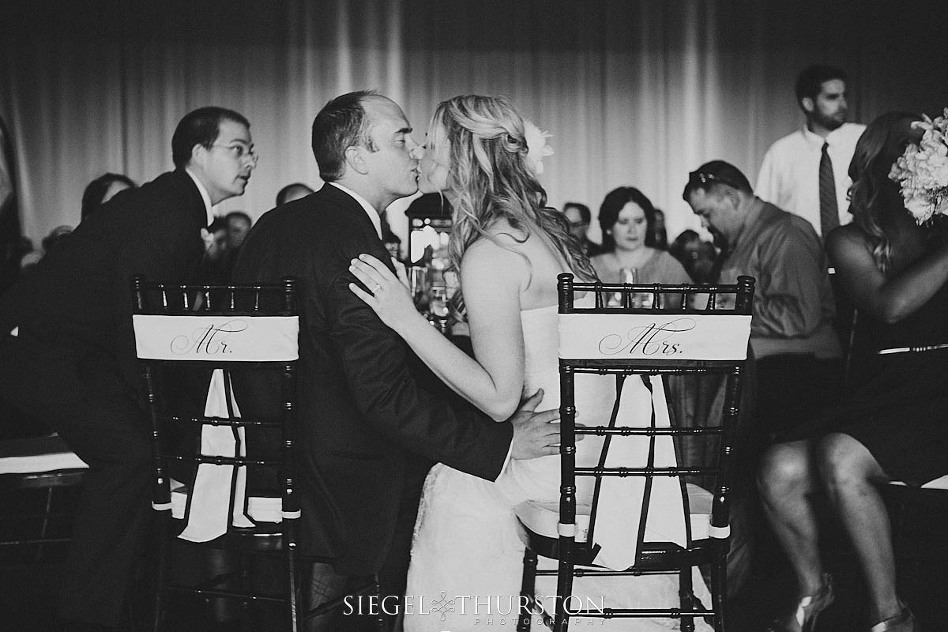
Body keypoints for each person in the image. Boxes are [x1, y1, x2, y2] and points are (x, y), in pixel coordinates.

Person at [350, 95, 709, 632]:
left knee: (452, 488)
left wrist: (406, 318)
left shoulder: (494, 251)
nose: (422, 151)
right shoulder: (549, 235)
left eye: (434, 140)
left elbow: (498, 399)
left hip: (556, 461)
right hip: (604, 453)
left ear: (467, 155)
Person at [229, 91, 559, 632]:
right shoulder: (352, 245)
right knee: (449, 486)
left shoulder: (277, 223)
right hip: (338, 473)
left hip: (270, 451)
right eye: (401, 138)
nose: (416, 150)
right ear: (359, 158)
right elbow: (382, 396)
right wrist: (498, 444)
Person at [0, 106, 257, 631]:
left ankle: (127, 597)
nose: (251, 159)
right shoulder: (171, 212)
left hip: (67, 354)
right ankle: (88, 613)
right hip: (43, 356)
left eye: (251, 150)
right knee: (134, 455)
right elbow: (138, 322)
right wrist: (158, 410)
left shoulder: (172, 204)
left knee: (147, 449)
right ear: (198, 153)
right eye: (238, 148)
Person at [757, 112, 944, 632]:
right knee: (776, 468)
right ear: (886, 166)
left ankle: (890, 615)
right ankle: (814, 591)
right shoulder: (850, 239)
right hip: (885, 388)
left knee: (841, 455)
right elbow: (889, 307)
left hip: (941, 389)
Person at [756, 65, 867, 239]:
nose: (843, 105)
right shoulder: (781, 153)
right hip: (801, 255)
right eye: (832, 98)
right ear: (808, 103)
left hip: (857, 251)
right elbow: (764, 214)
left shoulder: (864, 139)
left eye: (844, 96)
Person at [590, 186, 691, 294]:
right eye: (624, 222)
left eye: (638, 221)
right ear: (608, 227)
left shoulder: (667, 264)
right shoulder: (591, 268)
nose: (632, 229)